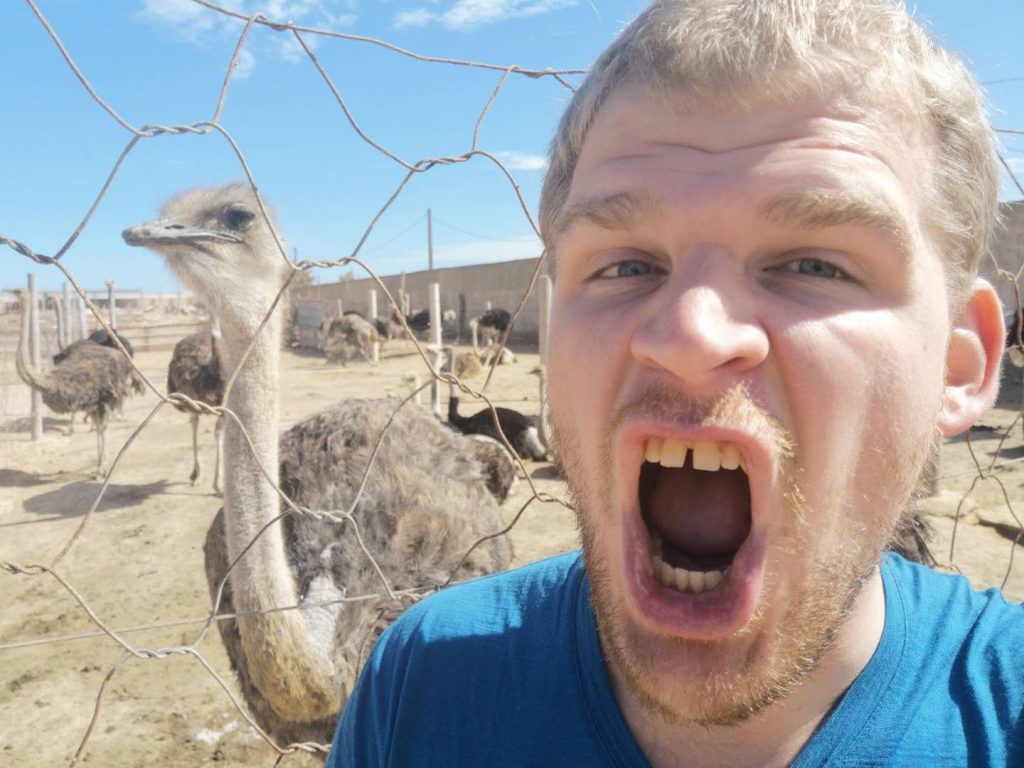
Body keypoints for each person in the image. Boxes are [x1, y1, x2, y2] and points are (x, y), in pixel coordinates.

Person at [326, 1, 1024, 765]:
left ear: (962, 363)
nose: (689, 334)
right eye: (626, 265)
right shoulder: (423, 684)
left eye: (814, 264)